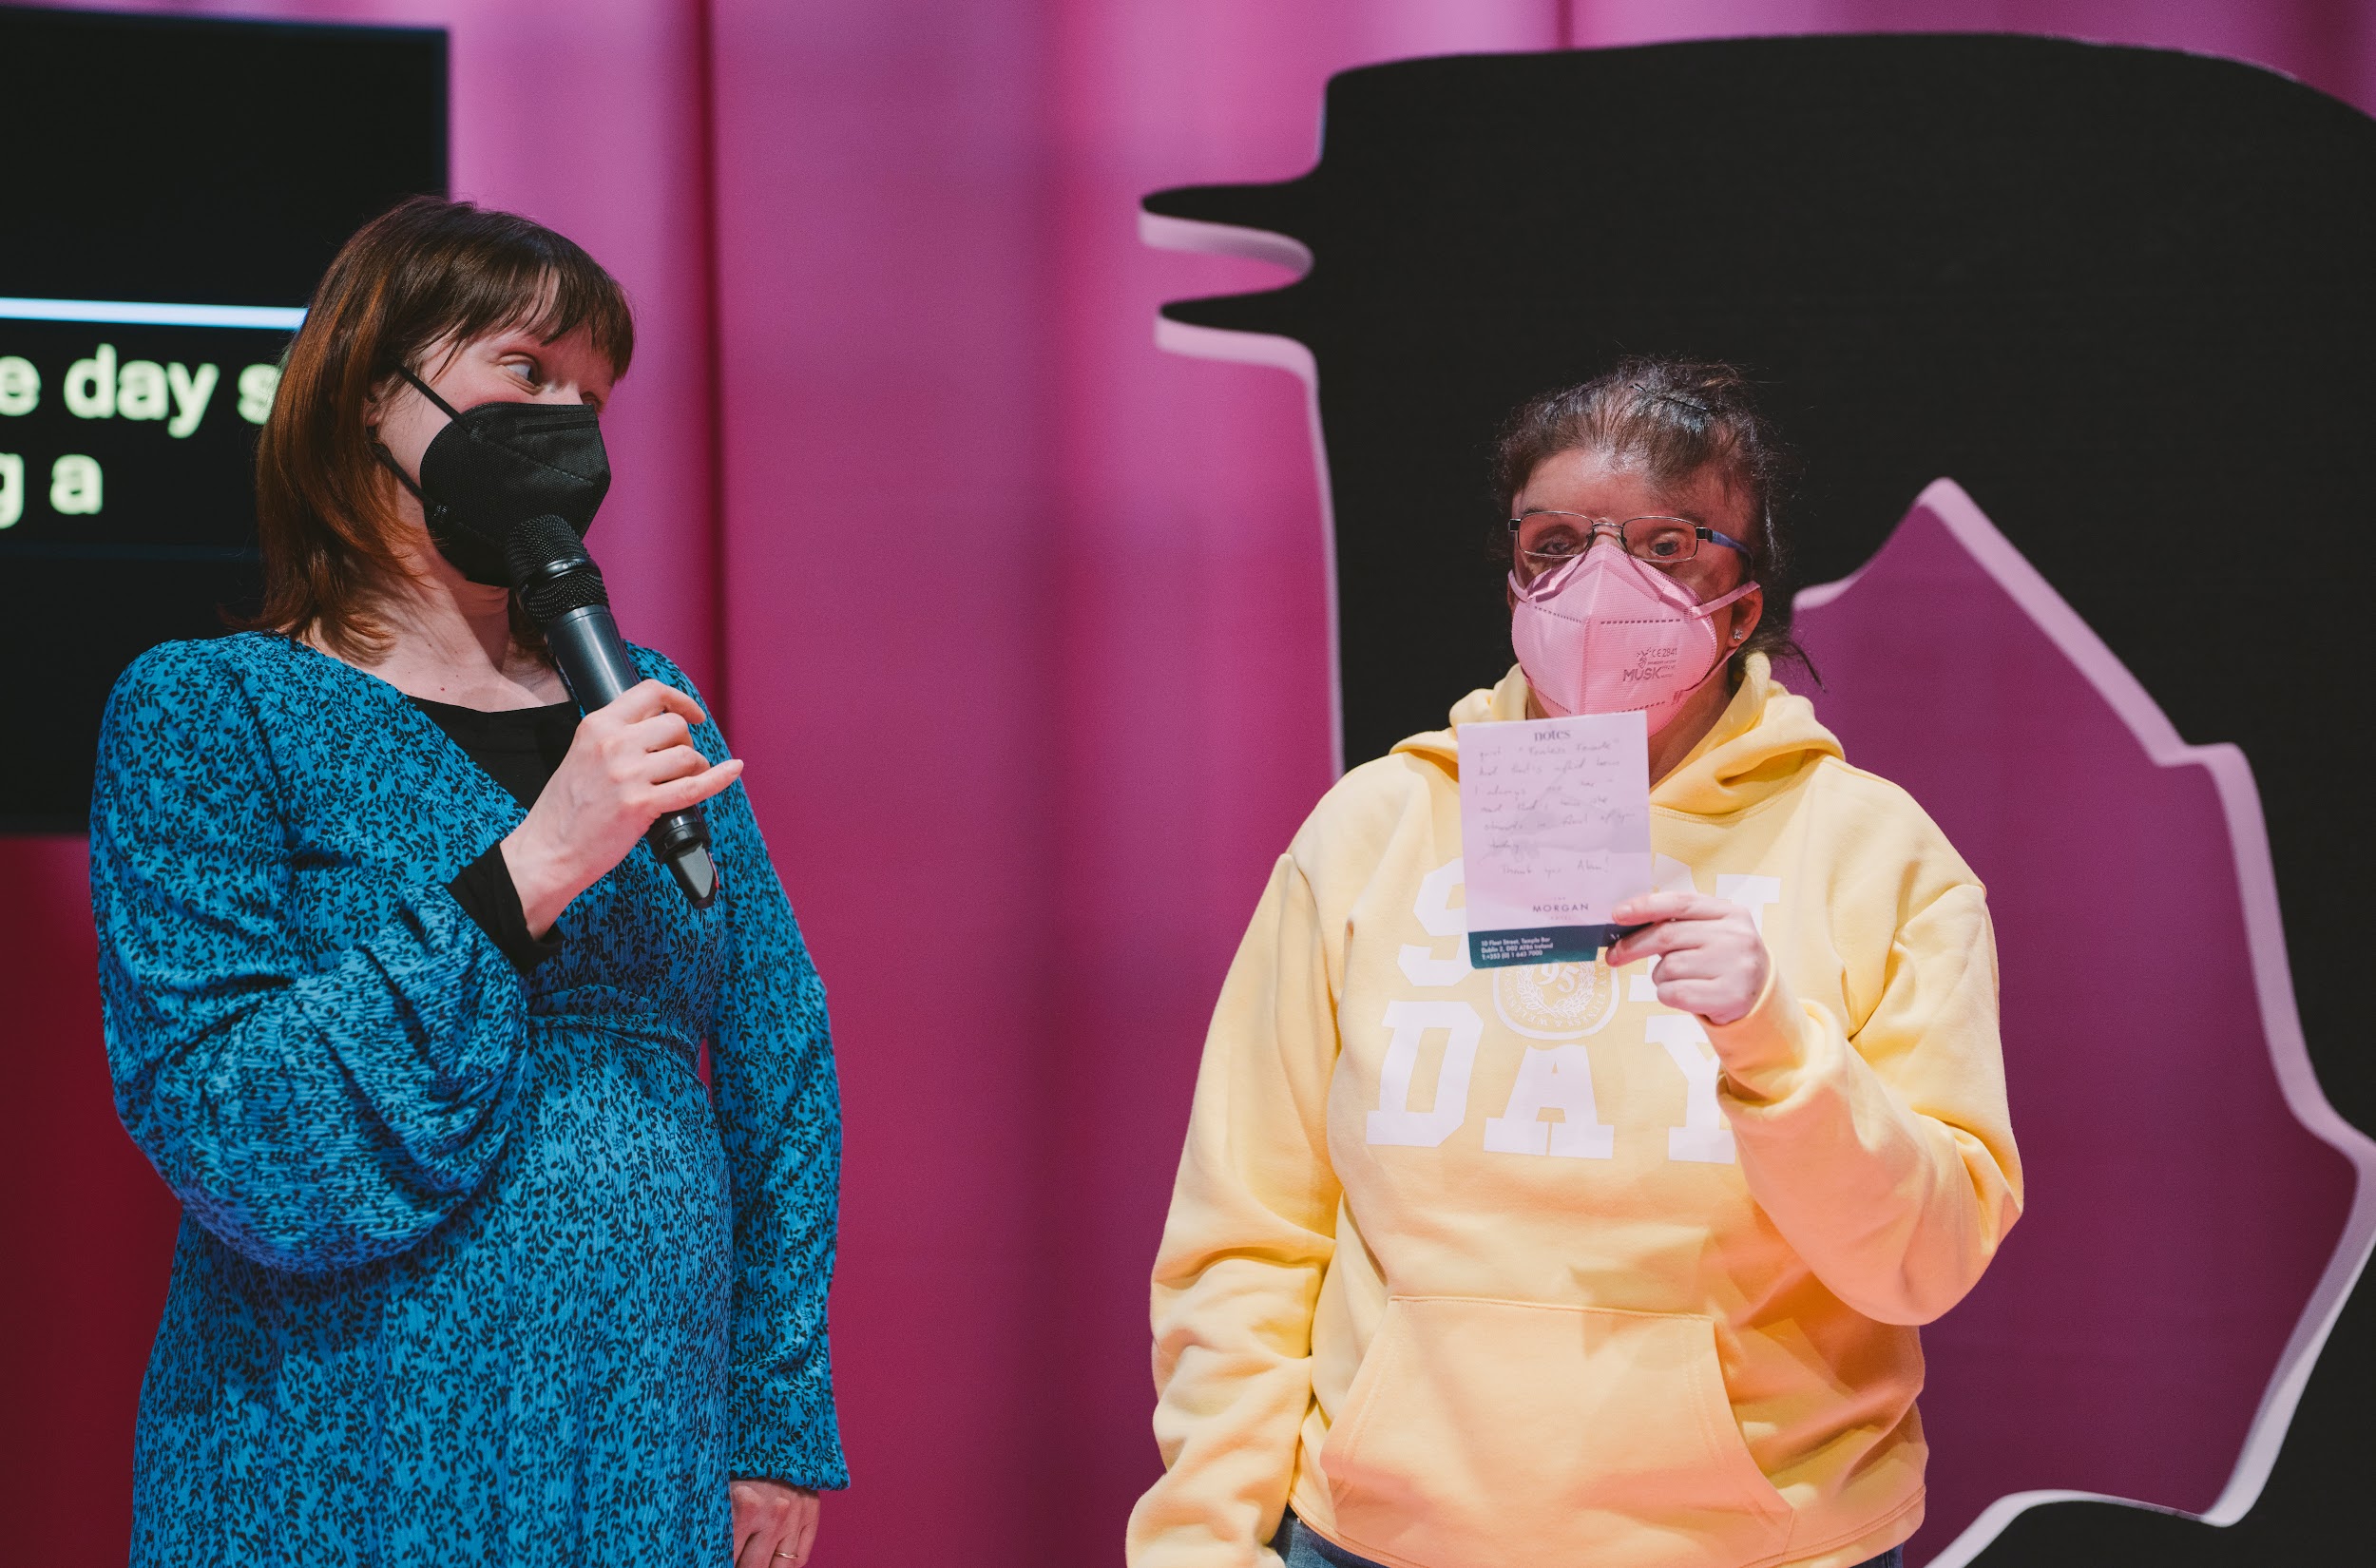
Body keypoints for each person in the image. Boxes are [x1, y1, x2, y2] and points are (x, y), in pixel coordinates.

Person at [1125, 360, 2022, 1568]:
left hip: (1755, 1546)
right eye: (1556, 544)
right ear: (1512, 578)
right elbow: (1250, 1229)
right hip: (1385, 1540)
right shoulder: (1376, 828)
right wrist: (1201, 1544)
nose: (1602, 587)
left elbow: (1925, 1257)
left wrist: (1775, 1047)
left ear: (1741, 604)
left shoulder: (1877, 856)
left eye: (1666, 545)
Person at [88, 198, 843, 1567]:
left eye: (593, 394)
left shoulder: (647, 698)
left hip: (637, 1437)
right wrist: (532, 866)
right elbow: (224, 1120)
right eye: (527, 371)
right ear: (377, 393)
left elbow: (781, 1058)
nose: (568, 421)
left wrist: (774, 1416)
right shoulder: (209, 709)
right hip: (329, 1434)